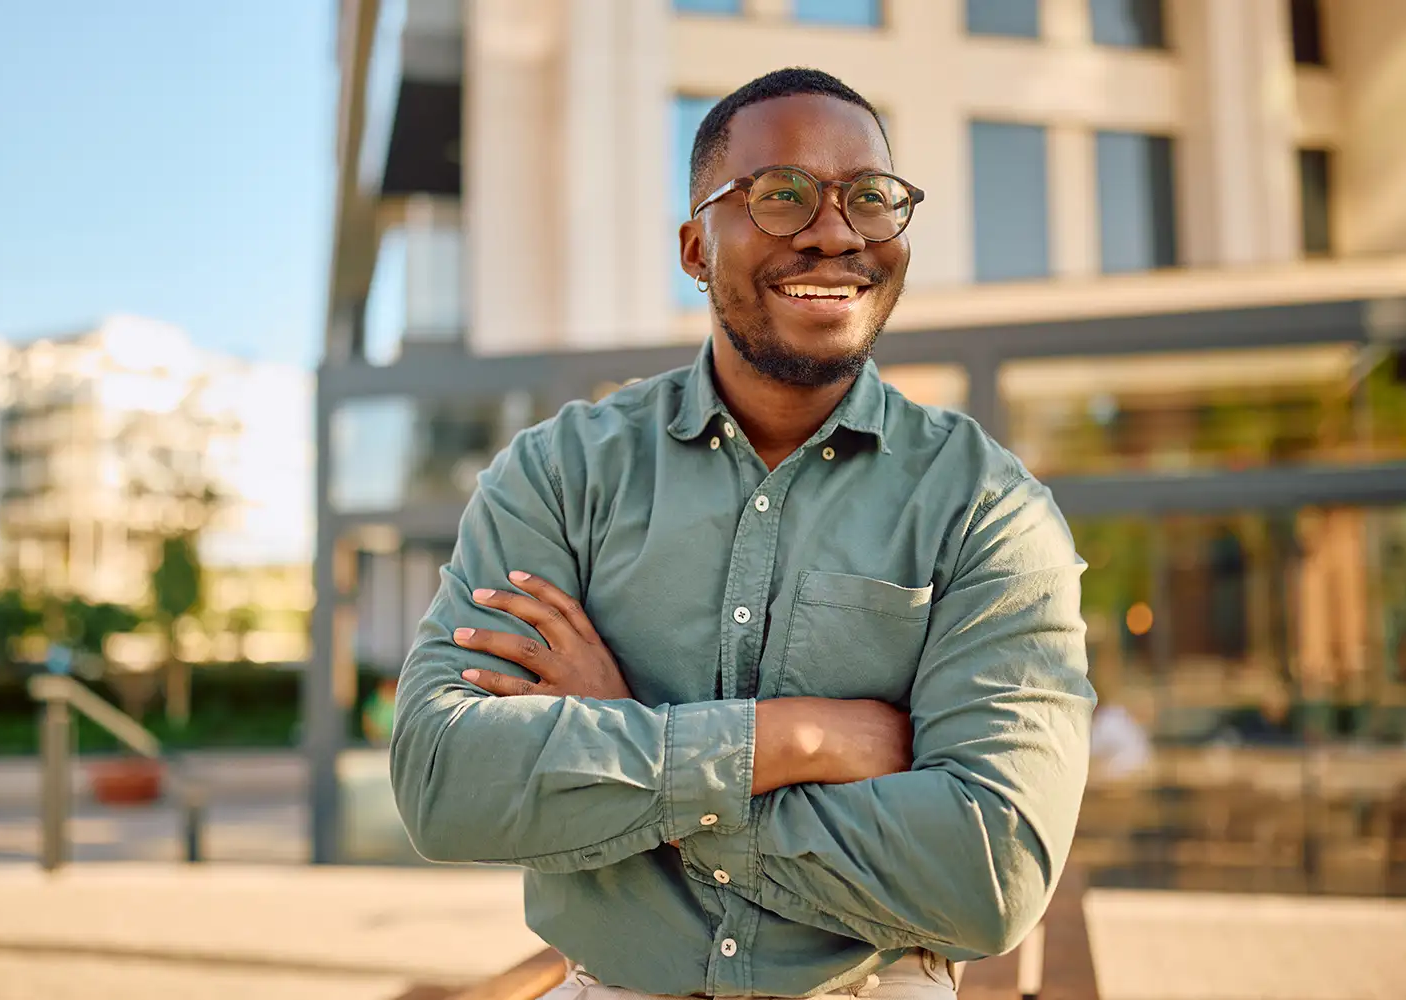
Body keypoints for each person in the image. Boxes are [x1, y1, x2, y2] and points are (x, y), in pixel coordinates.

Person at [392, 68, 1095, 1000]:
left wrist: (626, 741)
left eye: (870, 199)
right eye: (781, 195)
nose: (834, 231)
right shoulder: (562, 475)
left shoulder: (986, 508)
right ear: (693, 247)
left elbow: (989, 871)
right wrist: (800, 740)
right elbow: (445, 778)